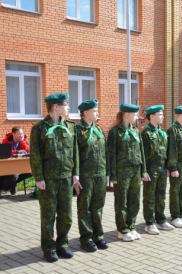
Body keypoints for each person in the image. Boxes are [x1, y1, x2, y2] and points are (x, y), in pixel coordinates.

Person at [30, 93, 79, 262]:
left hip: (66, 177)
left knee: (66, 215)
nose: (68, 108)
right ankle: (49, 248)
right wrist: (39, 178)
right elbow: (35, 155)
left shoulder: (70, 127)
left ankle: (63, 245)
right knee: (48, 215)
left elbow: (75, 152)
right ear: (56, 107)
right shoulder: (39, 128)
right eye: (66, 105)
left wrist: (75, 173)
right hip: (48, 179)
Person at [107, 104, 149, 242]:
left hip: (135, 171)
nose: (137, 117)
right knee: (121, 202)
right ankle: (122, 229)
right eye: (135, 114)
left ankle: (131, 226)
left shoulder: (136, 131)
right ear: (126, 114)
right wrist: (112, 175)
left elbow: (141, 151)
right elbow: (111, 155)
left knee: (134, 200)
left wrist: (143, 171)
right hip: (121, 172)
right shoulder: (115, 132)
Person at [75, 99, 108, 252]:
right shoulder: (77, 131)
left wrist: (107, 173)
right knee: (85, 208)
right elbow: (73, 155)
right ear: (86, 113)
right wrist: (75, 176)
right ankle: (86, 239)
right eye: (95, 111)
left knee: (98, 206)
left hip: (100, 174)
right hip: (85, 175)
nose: (98, 113)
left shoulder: (99, 130)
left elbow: (104, 153)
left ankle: (98, 236)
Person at [141, 105, 174, 235]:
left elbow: (166, 152)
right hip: (151, 169)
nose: (163, 117)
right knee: (149, 197)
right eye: (160, 115)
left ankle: (160, 220)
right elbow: (143, 155)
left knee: (161, 196)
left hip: (161, 169)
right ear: (152, 116)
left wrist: (168, 168)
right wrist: (144, 171)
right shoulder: (146, 133)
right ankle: (149, 223)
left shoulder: (162, 132)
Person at [0, 127, 31, 195]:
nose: (21, 135)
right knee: (13, 175)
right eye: (19, 134)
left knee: (30, 172)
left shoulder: (24, 140)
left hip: (21, 165)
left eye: (22, 133)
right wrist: (17, 151)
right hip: (8, 165)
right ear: (13, 134)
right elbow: (5, 152)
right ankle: (10, 186)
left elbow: (28, 150)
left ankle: (13, 184)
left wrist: (22, 141)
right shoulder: (6, 140)